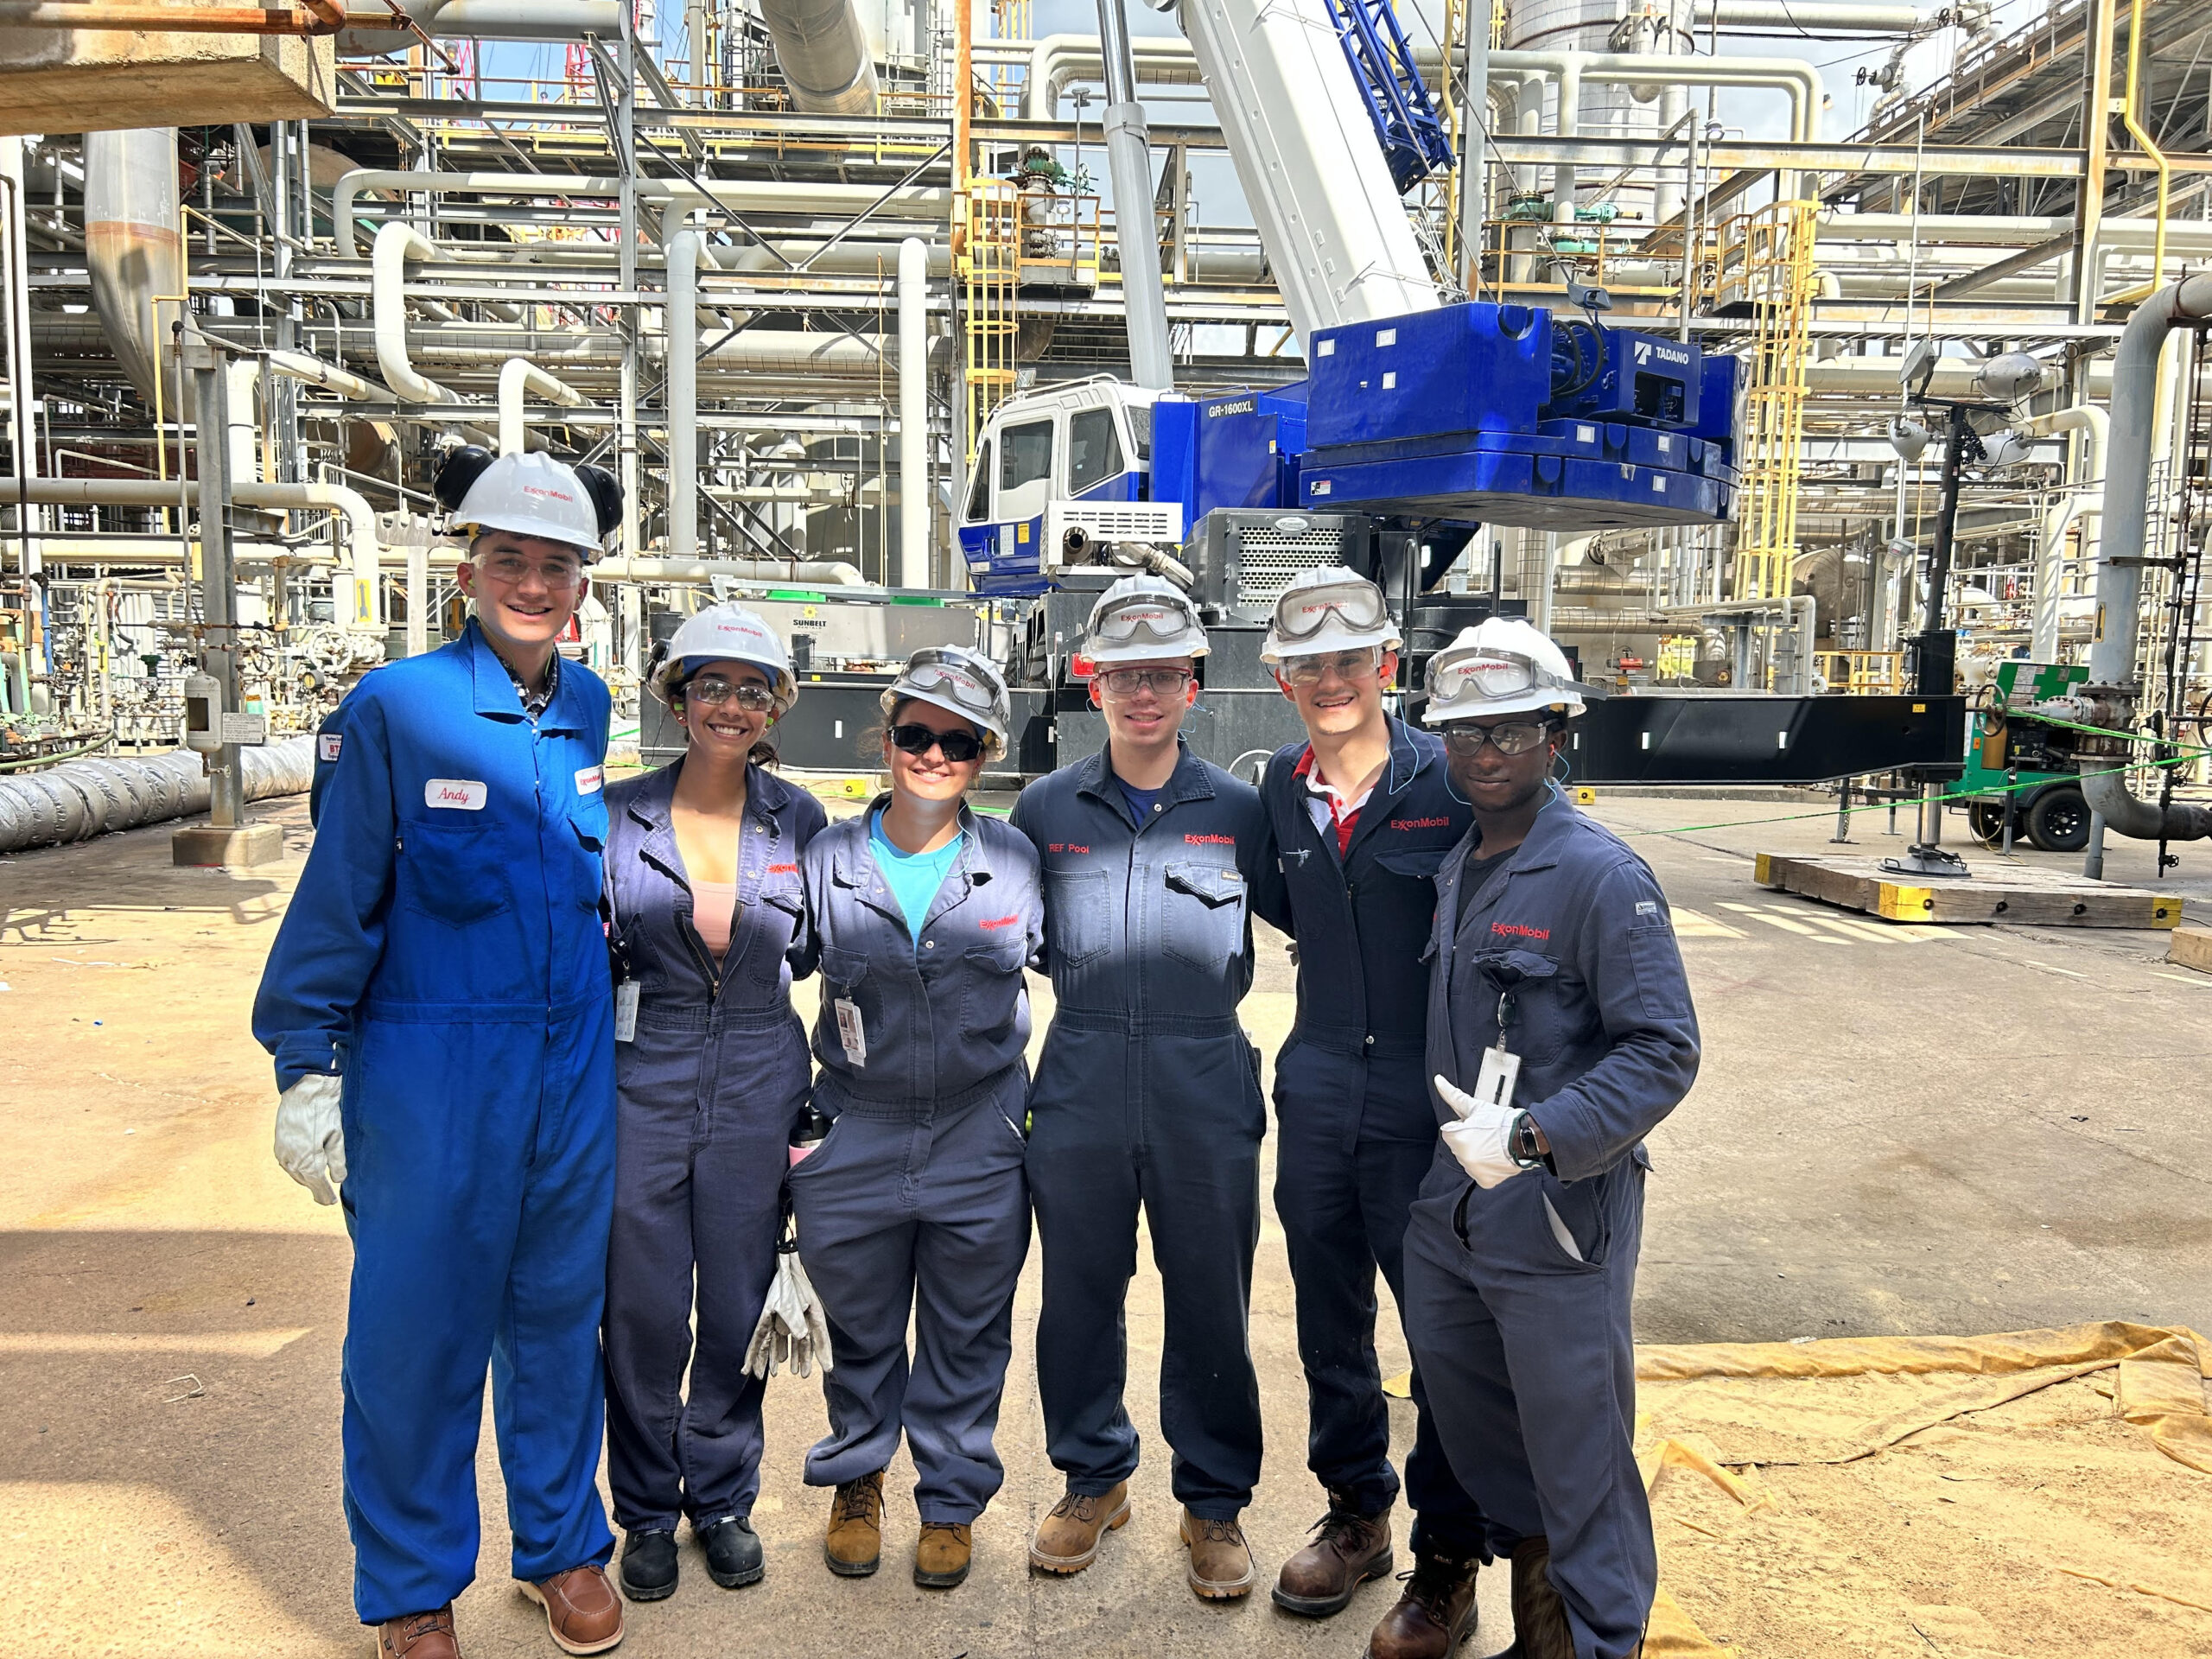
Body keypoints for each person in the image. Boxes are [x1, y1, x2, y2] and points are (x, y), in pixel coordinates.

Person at [252, 448, 630, 1659]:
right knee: (414, 1338)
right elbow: (339, 898)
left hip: (570, 1071)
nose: (532, 581)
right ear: (467, 570)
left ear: (583, 584)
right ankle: (415, 1588)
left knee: (559, 1320)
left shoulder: (588, 706)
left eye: (555, 565)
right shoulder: (394, 709)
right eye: (509, 560)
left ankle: (563, 1549)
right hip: (430, 1071)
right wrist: (306, 1061)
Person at [1401, 619, 1700, 1659]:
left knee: (1579, 1447)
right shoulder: (1461, 865)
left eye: (1512, 731)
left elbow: (1662, 1050)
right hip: (1454, 1207)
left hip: (1553, 1205)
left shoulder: (1599, 878)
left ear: (1557, 733)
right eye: (1465, 733)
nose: (1485, 753)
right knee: (1476, 1413)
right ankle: (1542, 1613)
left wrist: (1534, 1137)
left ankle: (1598, 1636)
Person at [1012, 575, 1272, 1601]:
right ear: (1094, 683)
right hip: (1078, 1072)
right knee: (1077, 1293)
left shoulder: (1242, 813)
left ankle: (1212, 1504)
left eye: (1163, 674)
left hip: (1202, 1069)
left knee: (1212, 1296)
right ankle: (1093, 1477)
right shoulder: (1044, 808)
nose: (1144, 694)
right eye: (1124, 675)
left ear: (1195, 685)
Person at [1246, 569, 1489, 1657]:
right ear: (1281, 678)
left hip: (1428, 1106)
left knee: (1440, 1334)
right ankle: (1358, 1514)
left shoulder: (1454, 780)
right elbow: (1287, 907)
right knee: (1326, 1319)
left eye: (1353, 660)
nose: (1332, 680)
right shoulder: (1278, 794)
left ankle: (1448, 1559)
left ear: (1386, 667)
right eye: (1311, 665)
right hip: (1318, 1088)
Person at [786, 645, 1042, 1592]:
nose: (933, 756)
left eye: (959, 742)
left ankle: (950, 1498)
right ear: (886, 737)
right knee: (859, 1323)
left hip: (979, 1128)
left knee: (968, 1328)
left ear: (983, 755)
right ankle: (858, 1479)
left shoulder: (1013, 859)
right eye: (915, 735)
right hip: (858, 1124)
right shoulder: (828, 858)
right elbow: (762, 972)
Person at [600, 604, 827, 1604]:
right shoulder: (615, 813)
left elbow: (825, 953)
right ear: (678, 698)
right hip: (640, 1077)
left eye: (751, 688)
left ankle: (723, 1500)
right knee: (643, 1309)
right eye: (711, 686)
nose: (730, 705)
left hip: (758, 1077)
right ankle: (647, 1511)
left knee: (737, 1301)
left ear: (774, 704)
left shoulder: (801, 819)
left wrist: (819, 1105)